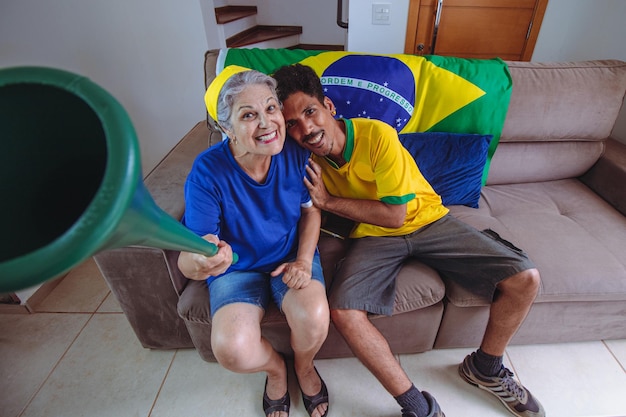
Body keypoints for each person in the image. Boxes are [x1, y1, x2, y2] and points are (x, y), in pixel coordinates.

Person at [273, 63, 545, 417]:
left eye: (310, 112)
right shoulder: (301, 157)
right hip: (372, 236)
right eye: (292, 123)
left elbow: (395, 215)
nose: (306, 129)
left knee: (525, 278)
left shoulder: (377, 136)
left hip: (428, 220)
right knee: (344, 311)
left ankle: (486, 367)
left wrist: (330, 202)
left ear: (329, 107)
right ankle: (418, 407)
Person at [177, 66, 330, 417]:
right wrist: (201, 262)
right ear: (227, 130)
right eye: (249, 115)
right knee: (231, 350)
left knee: (315, 317)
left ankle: (303, 367)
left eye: (271, 108)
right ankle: (276, 370)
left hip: (290, 256)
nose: (267, 123)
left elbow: (310, 212)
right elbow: (191, 253)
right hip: (236, 270)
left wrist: (305, 261)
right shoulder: (206, 172)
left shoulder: (294, 151)